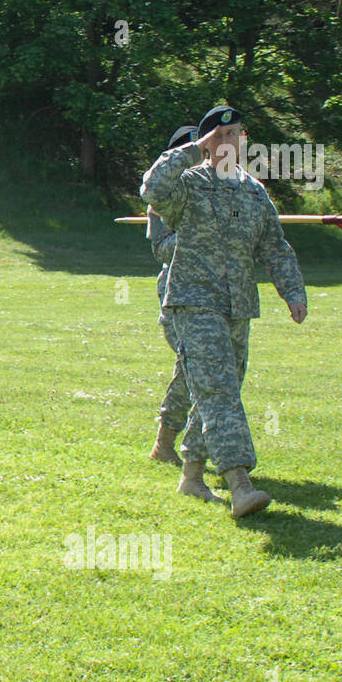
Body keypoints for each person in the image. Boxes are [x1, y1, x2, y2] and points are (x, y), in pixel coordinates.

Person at [141, 104, 308, 518]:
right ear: (209, 142)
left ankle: (192, 476)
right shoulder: (188, 184)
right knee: (219, 391)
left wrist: (292, 291)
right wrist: (192, 149)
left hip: (238, 305)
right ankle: (239, 483)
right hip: (194, 301)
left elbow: (274, 245)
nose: (232, 142)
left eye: (238, 135)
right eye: (223, 136)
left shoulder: (253, 191)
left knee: (216, 389)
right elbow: (151, 188)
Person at [146, 126, 197, 466]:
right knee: (196, 368)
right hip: (178, 295)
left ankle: (168, 446)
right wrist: (199, 233)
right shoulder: (162, 199)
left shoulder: (220, 189)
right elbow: (161, 249)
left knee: (196, 370)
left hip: (219, 295)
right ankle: (177, 448)